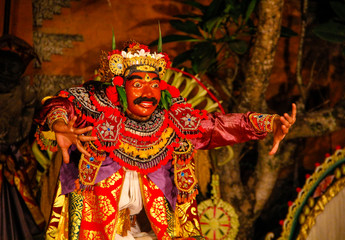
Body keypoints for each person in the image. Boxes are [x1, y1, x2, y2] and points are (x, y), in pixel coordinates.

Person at [35, 42, 296, 240]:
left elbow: (218, 125)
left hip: (152, 228)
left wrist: (268, 123)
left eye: (154, 84)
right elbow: (60, 103)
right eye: (138, 85)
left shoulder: (171, 120)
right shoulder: (96, 108)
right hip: (98, 225)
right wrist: (59, 123)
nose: (148, 93)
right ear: (120, 87)